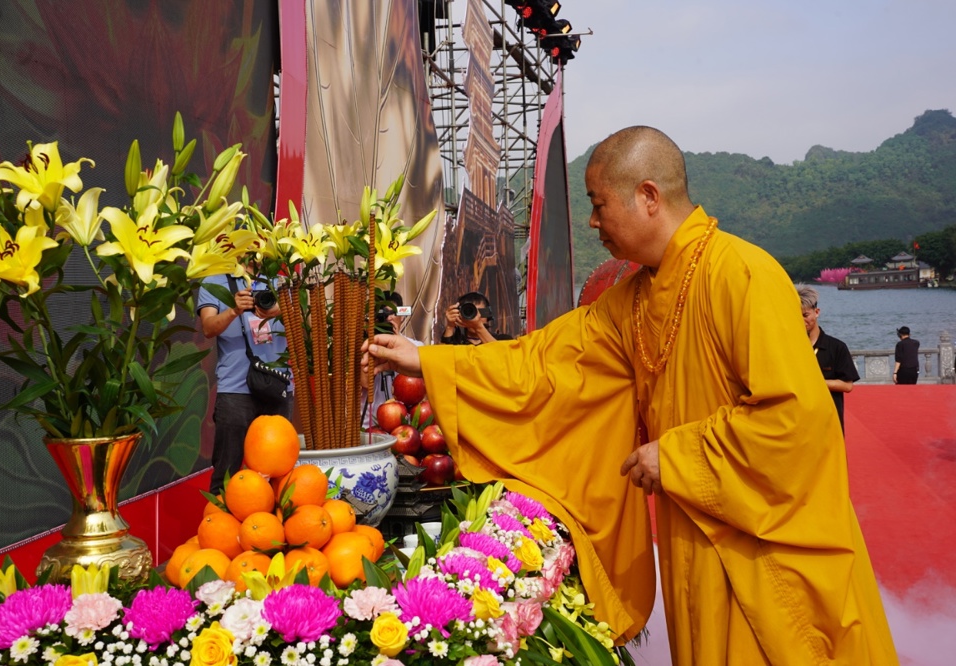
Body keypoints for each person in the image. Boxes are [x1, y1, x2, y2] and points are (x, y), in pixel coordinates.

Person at [363, 127, 896, 663]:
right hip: (694, 534)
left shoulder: (743, 275)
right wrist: (426, 359)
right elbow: (544, 363)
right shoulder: (634, 299)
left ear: (648, 196)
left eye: (598, 205)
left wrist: (679, 456)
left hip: (765, 550)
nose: (592, 222)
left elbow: (797, 422)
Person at [197, 274, 294, 494]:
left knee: (278, 473)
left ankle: (271, 516)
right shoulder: (214, 282)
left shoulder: (280, 281)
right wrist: (234, 310)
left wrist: (282, 310)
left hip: (278, 385)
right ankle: (220, 515)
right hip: (235, 389)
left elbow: (309, 323)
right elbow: (208, 328)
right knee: (227, 472)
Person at [797, 285, 860, 432]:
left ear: (816, 312)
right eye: (796, 316)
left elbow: (847, 385)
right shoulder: (789, 347)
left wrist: (815, 383)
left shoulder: (837, 347)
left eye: (805, 315)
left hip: (830, 420)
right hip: (798, 420)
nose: (802, 320)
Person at [363, 291, 424, 428]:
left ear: (401, 316)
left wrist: (397, 341)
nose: (389, 318)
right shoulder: (366, 347)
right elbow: (365, 382)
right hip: (370, 427)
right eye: (383, 314)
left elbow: (420, 387)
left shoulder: (416, 347)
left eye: (393, 313)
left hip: (405, 425)